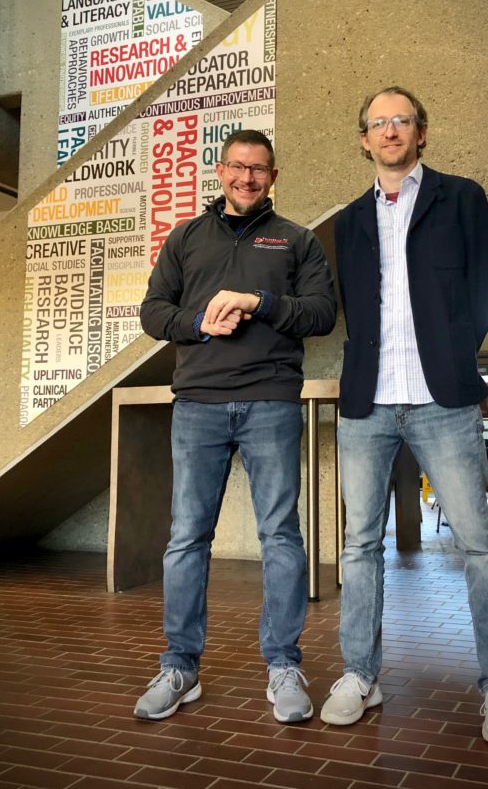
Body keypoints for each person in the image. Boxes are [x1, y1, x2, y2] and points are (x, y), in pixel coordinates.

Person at [321, 87, 488, 745]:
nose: (389, 131)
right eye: (377, 123)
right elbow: (350, 302)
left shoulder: (459, 197)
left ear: (421, 131)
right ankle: (361, 674)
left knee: (480, 546)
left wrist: (457, 352)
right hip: (368, 402)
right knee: (359, 547)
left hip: (444, 399)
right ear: (363, 138)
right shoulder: (350, 218)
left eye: (399, 120)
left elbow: (484, 285)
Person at [135, 129, 336, 724]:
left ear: (274, 177)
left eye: (260, 170)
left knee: (280, 535)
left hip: (271, 401)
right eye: (239, 168)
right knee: (187, 538)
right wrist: (198, 323)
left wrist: (259, 302)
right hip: (197, 403)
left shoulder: (296, 240)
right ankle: (180, 667)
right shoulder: (187, 237)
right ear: (220, 172)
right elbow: (152, 311)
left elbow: (322, 313)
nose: (248, 178)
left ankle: (282, 665)